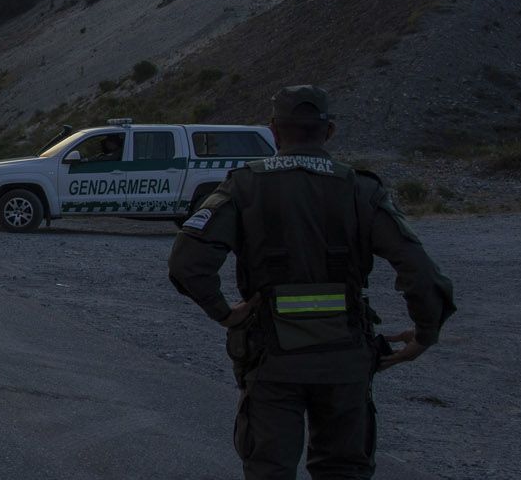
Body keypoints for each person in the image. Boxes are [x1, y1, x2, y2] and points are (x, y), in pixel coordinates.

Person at [168, 85, 455, 479]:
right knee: (343, 469)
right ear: (330, 131)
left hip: (271, 360)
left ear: (273, 130)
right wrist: (425, 333)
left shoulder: (244, 186)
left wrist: (224, 313)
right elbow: (419, 269)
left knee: (269, 469)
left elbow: (188, 261)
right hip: (344, 361)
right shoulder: (361, 189)